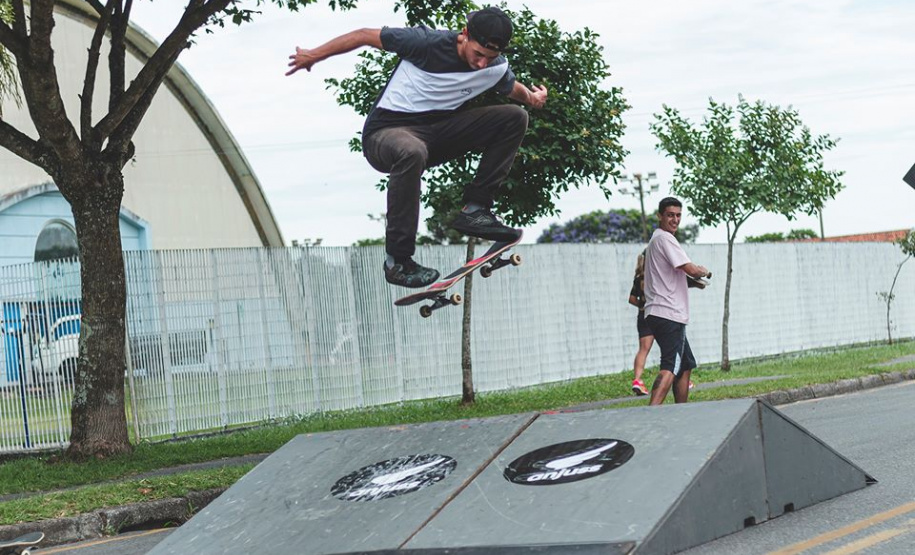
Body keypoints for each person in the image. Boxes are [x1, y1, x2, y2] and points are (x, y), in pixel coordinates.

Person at [286, 7, 549, 288]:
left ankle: (476, 210)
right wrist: (313, 54)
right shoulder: (424, 42)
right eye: (478, 54)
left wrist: (532, 99)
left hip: (437, 136)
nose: (482, 64)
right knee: (412, 150)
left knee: (514, 117)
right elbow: (363, 35)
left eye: (491, 57)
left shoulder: (494, 68)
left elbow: (511, 88)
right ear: (464, 35)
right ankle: (398, 261)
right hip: (386, 135)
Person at [643, 197, 709, 406]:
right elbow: (690, 268)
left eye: (678, 215)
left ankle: (681, 411)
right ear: (660, 216)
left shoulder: (655, 241)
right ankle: (650, 414)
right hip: (668, 312)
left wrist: (693, 284)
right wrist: (704, 271)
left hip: (658, 312)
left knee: (685, 364)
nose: (675, 220)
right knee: (670, 366)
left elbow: (669, 278)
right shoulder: (665, 239)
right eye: (670, 215)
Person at [628, 250, 652, 396]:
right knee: (670, 347)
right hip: (658, 315)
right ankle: (681, 379)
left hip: (643, 315)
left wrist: (642, 306)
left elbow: (631, 298)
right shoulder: (655, 276)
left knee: (643, 349)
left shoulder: (639, 278)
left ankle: (637, 380)